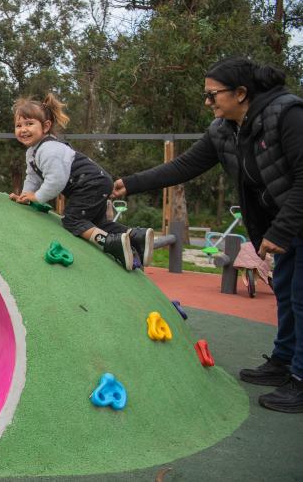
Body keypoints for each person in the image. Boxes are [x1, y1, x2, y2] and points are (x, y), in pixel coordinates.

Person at [112, 57, 303, 413]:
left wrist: (282, 228)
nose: (208, 102)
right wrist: (132, 184)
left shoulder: (287, 115)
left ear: (241, 93)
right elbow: (184, 165)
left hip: (294, 217)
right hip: (286, 222)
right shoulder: (224, 130)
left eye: (213, 94)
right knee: (286, 291)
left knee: (301, 295)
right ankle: (283, 361)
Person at [9, 93, 154, 271]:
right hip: (96, 182)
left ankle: (111, 244)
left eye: (29, 124)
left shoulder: (48, 149)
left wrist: (38, 197)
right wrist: (25, 196)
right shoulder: (33, 151)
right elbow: (32, 177)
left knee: (72, 220)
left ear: (46, 126)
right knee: (97, 223)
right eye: (18, 125)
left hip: (89, 184)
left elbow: (56, 181)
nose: (23, 129)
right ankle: (136, 236)